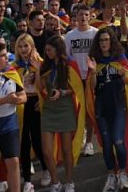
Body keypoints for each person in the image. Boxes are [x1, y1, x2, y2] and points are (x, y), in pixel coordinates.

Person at [88, 28, 128, 192]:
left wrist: (124, 74)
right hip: (102, 106)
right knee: (107, 142)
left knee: (118, 140)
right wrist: (93, 71)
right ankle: (111, 175)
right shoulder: (94, 59)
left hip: (118, 104)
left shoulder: (120, 57)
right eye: (101, 40)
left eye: (106, 40)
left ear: (111, 41)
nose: (104, 43)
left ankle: (122, 173)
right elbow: (91, 87)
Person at [37, 35, 79, 192]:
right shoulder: (45, 66)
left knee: (67, 150)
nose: (46, 52)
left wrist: (62, 92)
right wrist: (36, 69)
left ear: (58, 49)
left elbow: (76, 88)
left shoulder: (70, 64)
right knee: (47, 151)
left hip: (65, 109)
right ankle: (55, 182)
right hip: (49, 110)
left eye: (49, 49)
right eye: (45, 49)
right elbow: (40, 87)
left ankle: (69, 181)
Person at [13, 34, 49, 191]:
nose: (23, 50)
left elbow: (45, 87)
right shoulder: (13, 66)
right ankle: (27, 179)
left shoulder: (40, 63)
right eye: (20, 47)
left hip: (36, 103)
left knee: (37, 140)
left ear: (32, 46)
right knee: (23, 143)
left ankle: (46, 169)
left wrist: (38, 69)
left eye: (26, 46)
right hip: (21, 105)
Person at [63, 5, 98, 157]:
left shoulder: (95, 34)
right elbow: (65, 58)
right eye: (80, 15)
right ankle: (80, 137)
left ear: (90, 16)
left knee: (90, 110)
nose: (83, 17)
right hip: (76, 79)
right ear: (75, 17)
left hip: (91, 76)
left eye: (86, 14)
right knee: (77, 111)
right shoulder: (69, 36)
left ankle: (89, 142)